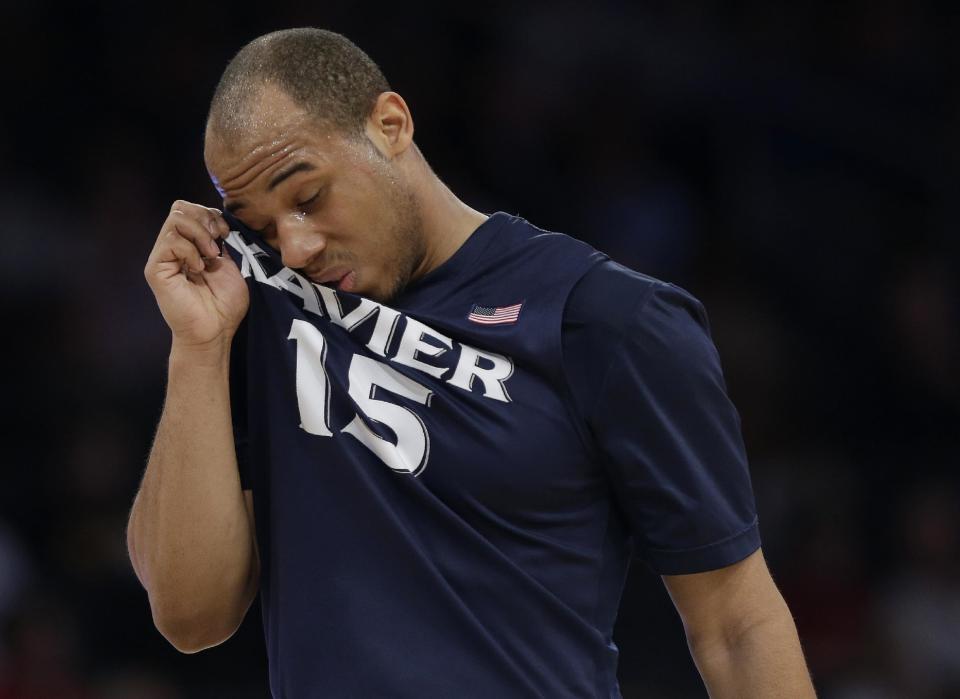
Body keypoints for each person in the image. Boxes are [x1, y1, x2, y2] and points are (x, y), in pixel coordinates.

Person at [127, 27, 816, 698]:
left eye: (308, 197)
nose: (296, 245)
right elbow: (191, 617)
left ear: (390, 124)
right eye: (264, 224)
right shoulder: (260, 304)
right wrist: (197, 346)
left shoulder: (605, 318)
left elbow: (735, 623)